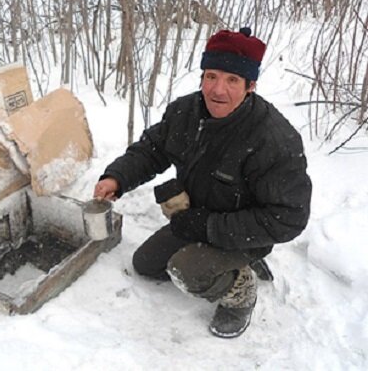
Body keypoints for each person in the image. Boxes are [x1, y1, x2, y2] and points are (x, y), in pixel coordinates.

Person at [93, 27, 312, 338]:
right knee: (146, 264)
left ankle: (241, 292)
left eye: (232, 80)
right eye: (211, 76)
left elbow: (288, 218)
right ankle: (229, 263)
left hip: (242, 230)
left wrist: (208, 227)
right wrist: (116, 177)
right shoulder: (186, 111)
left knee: (188, 271)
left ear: (251, 86)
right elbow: (152, 149)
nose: (217, 90)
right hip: (195, 216)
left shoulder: (273, 139)